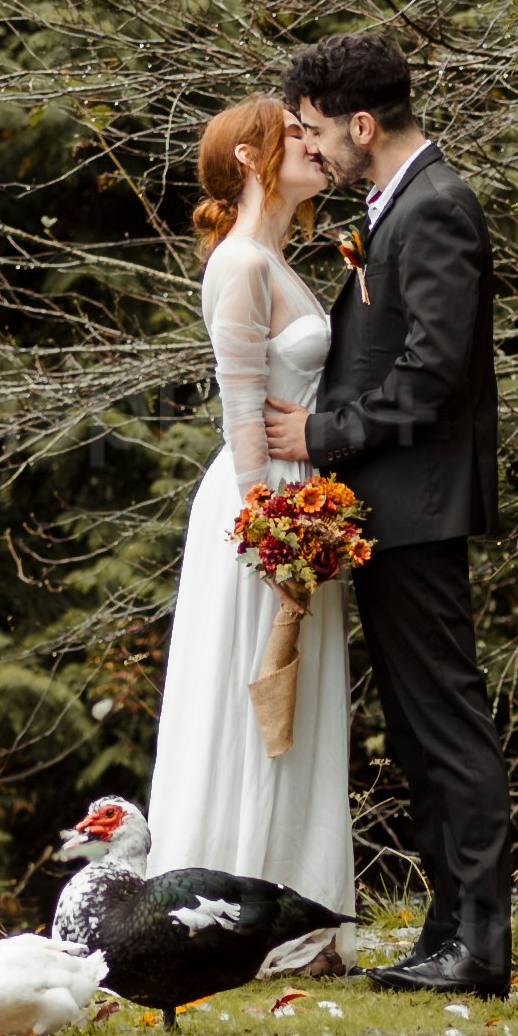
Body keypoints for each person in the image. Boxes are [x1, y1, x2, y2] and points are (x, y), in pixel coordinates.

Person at [271, 27, 511, 999]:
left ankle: (481, 946)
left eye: (316, 130)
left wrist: (322, 435)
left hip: (416, 500)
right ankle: (445, 930)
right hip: (387, 506)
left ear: (362, 125)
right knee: (416, 734)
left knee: (447, 725)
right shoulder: (395, 205)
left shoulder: (439, 208)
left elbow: (430, 373)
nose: (312, 147)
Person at [137, 87, 361, 903]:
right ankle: (228, 902)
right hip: (258, 506)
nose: (312, 143)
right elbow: (240, 411)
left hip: (297, 500)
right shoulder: (237, 262)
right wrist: (269, 531)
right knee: (253, 701)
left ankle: (292, 901)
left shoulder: (274, 263)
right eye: (294, 133)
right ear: (248, 156)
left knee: (298, 705)